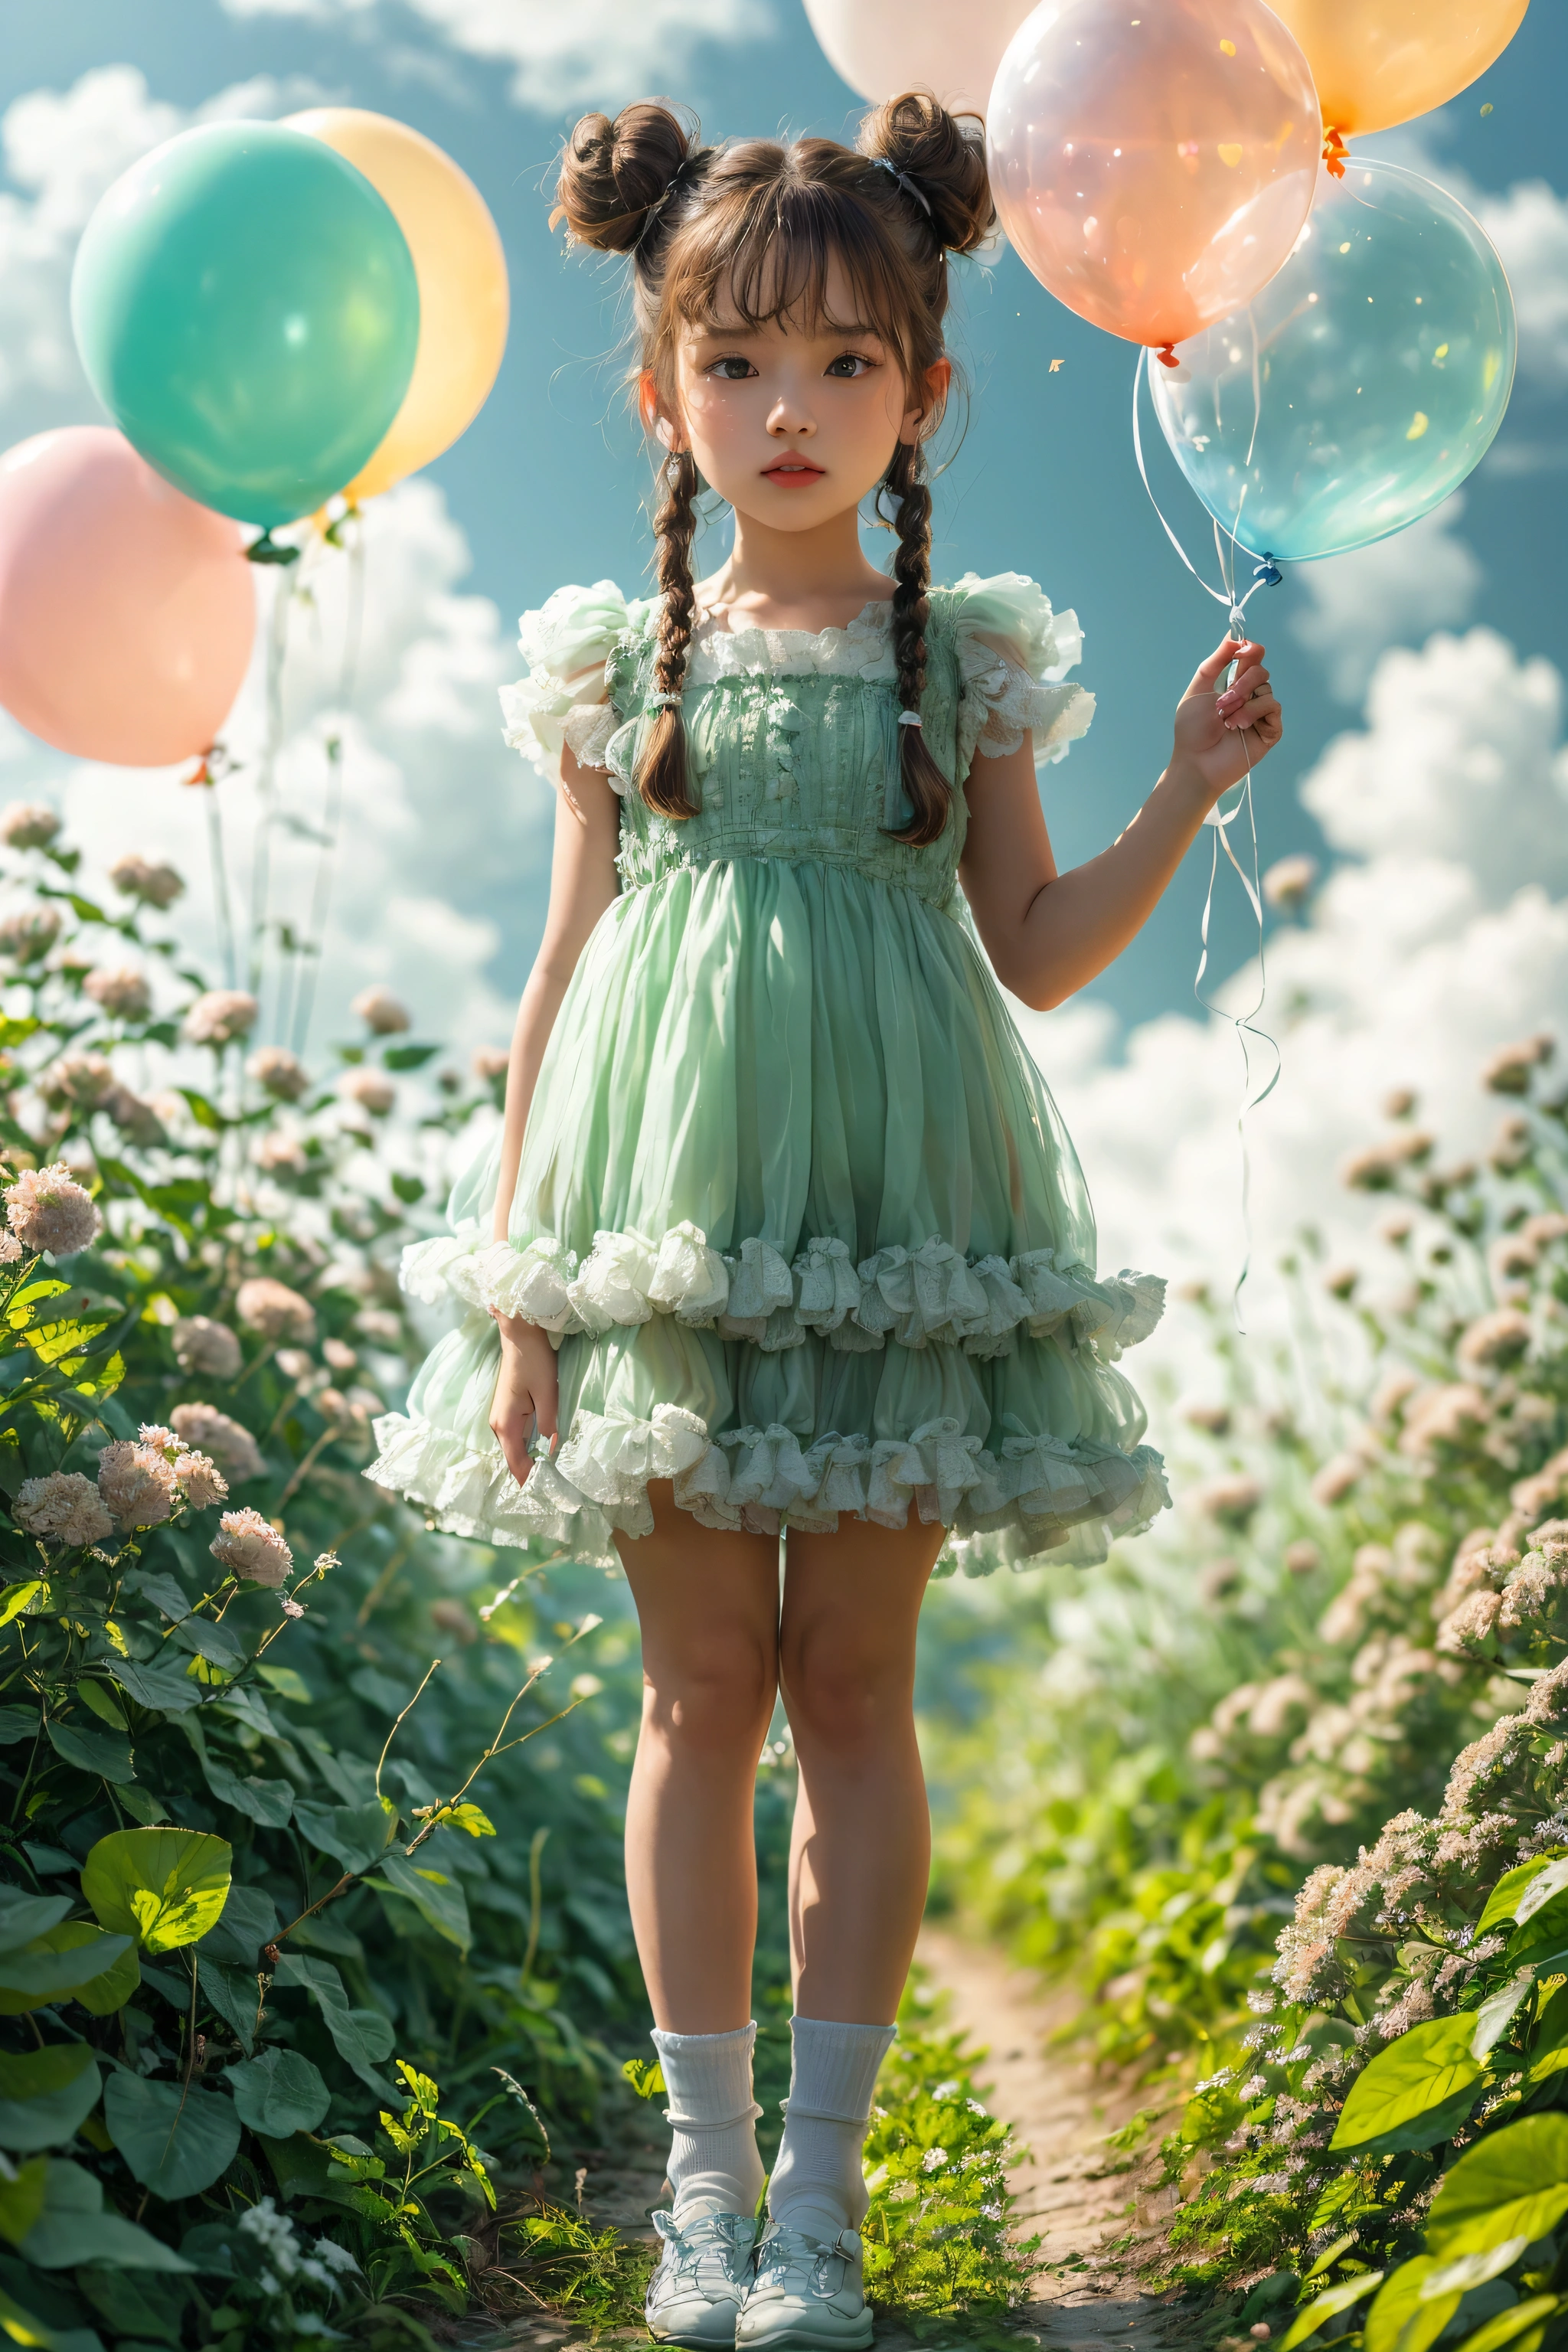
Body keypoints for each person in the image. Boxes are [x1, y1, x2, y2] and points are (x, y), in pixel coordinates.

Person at [367, 87, 1282, 2352]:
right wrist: (522, 1291)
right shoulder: (617, 662)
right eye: (741, 363)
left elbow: (1035, 945)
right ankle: (700, 2198)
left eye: (847, 363)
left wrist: (1180, 791)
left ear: (928, 388)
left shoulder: (956, 655)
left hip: (895, 1211)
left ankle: (822, 2212)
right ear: (667, 388)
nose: (791, 411)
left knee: (853, 1684)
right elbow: (563, 980)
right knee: (702, 1686)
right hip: (661, 1219)